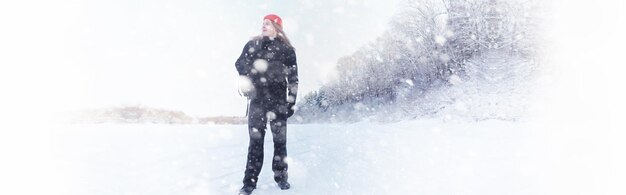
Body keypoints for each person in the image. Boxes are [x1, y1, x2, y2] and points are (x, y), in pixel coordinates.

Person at [234, 14, 298, 195]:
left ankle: (281, 177)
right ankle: (249, 183)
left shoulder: (287, 49)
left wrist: (291, 102)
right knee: (255, 143)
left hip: (278, 102)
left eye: (268, 23)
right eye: (263, 23)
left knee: (280, 142)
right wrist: (251, 73)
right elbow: (239, 63)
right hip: (257, 101)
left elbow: (293, 78)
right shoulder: (253, 45)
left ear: (277, 27)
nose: (264, 25)